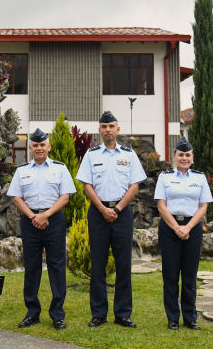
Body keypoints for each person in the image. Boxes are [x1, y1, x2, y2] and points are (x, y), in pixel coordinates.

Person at [76, 111, 147, 328]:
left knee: (123, 264)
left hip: (122, 213)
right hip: (98, 213)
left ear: (118, 129)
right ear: (99, 130)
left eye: (112, 126)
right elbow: (86, 185)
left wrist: (117, 208)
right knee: (98, 264)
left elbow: (135, 185)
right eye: (104, 126)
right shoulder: (91, 155)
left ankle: (123, 313)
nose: (108, 130)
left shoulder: (129, 155)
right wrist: (102, 208)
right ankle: (99, 313)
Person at [8, 128, 76, 331]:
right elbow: (16, 198)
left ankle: (57, 314)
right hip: (30, 221)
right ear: (30, 148)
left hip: (53, 221)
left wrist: (45, 216)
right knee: (32, 267)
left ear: (49, 146)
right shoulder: (22, 170)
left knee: (57, 267)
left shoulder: (60, 168)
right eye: (35, 145)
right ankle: (32, 312)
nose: (39, 148)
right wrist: (33, 217)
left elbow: (65, 197)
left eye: (42, 144)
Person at [154, 137, 212, 331]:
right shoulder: (164, 177)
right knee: (170, 275)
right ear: (174, 156)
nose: (184, 158)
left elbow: (203, 207)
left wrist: (187, 228)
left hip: (193, 228)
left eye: (188, 155)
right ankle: (172, 317)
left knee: (189, 274)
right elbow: (161, 206)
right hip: (170, 228)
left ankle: (190, 317)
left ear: (192, 157)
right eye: (181, 155)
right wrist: (177, 228)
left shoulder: (199, 177)